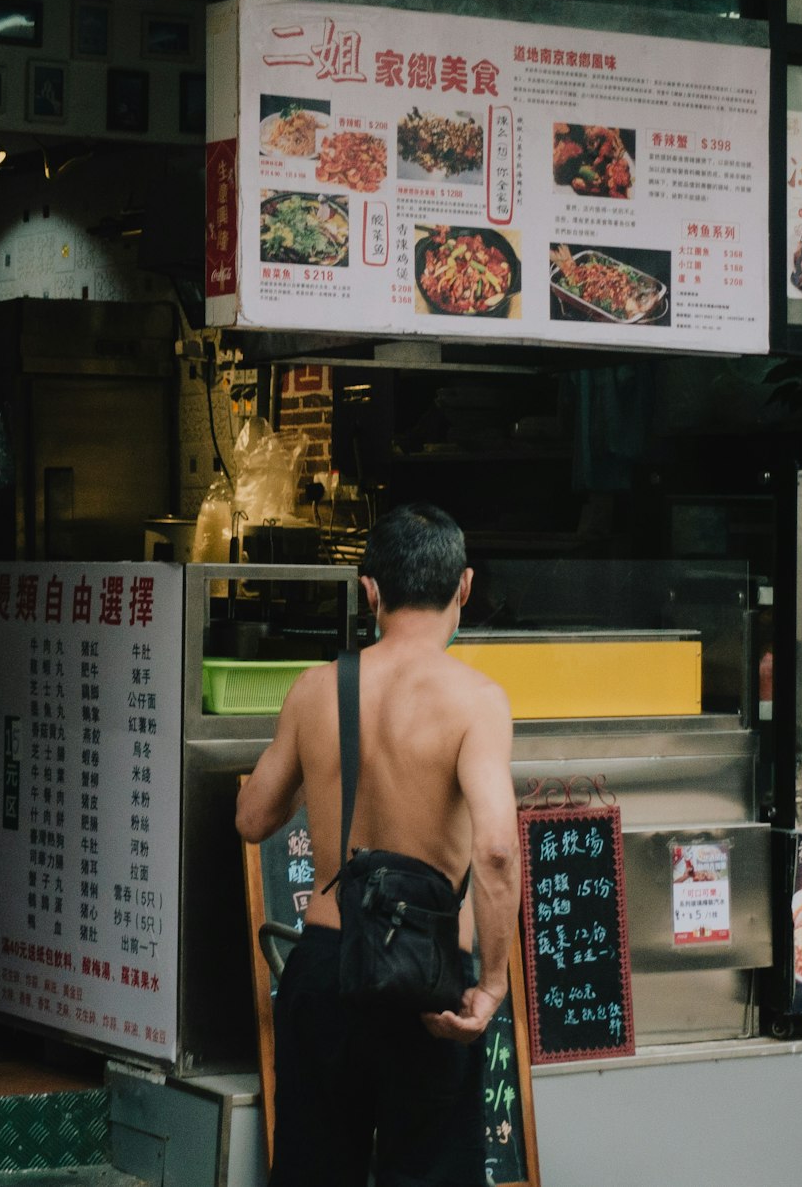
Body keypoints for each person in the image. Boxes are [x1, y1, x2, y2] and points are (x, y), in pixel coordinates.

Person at [236, 502, 521, 1187]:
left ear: (369, 590)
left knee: (312, 1171)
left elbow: (252, 818)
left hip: (328, 966)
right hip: (425, 980)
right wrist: (491, 984)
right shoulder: (476, 700)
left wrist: (326, 763)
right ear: (464, 587)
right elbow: (497, 851)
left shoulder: (314, 689)